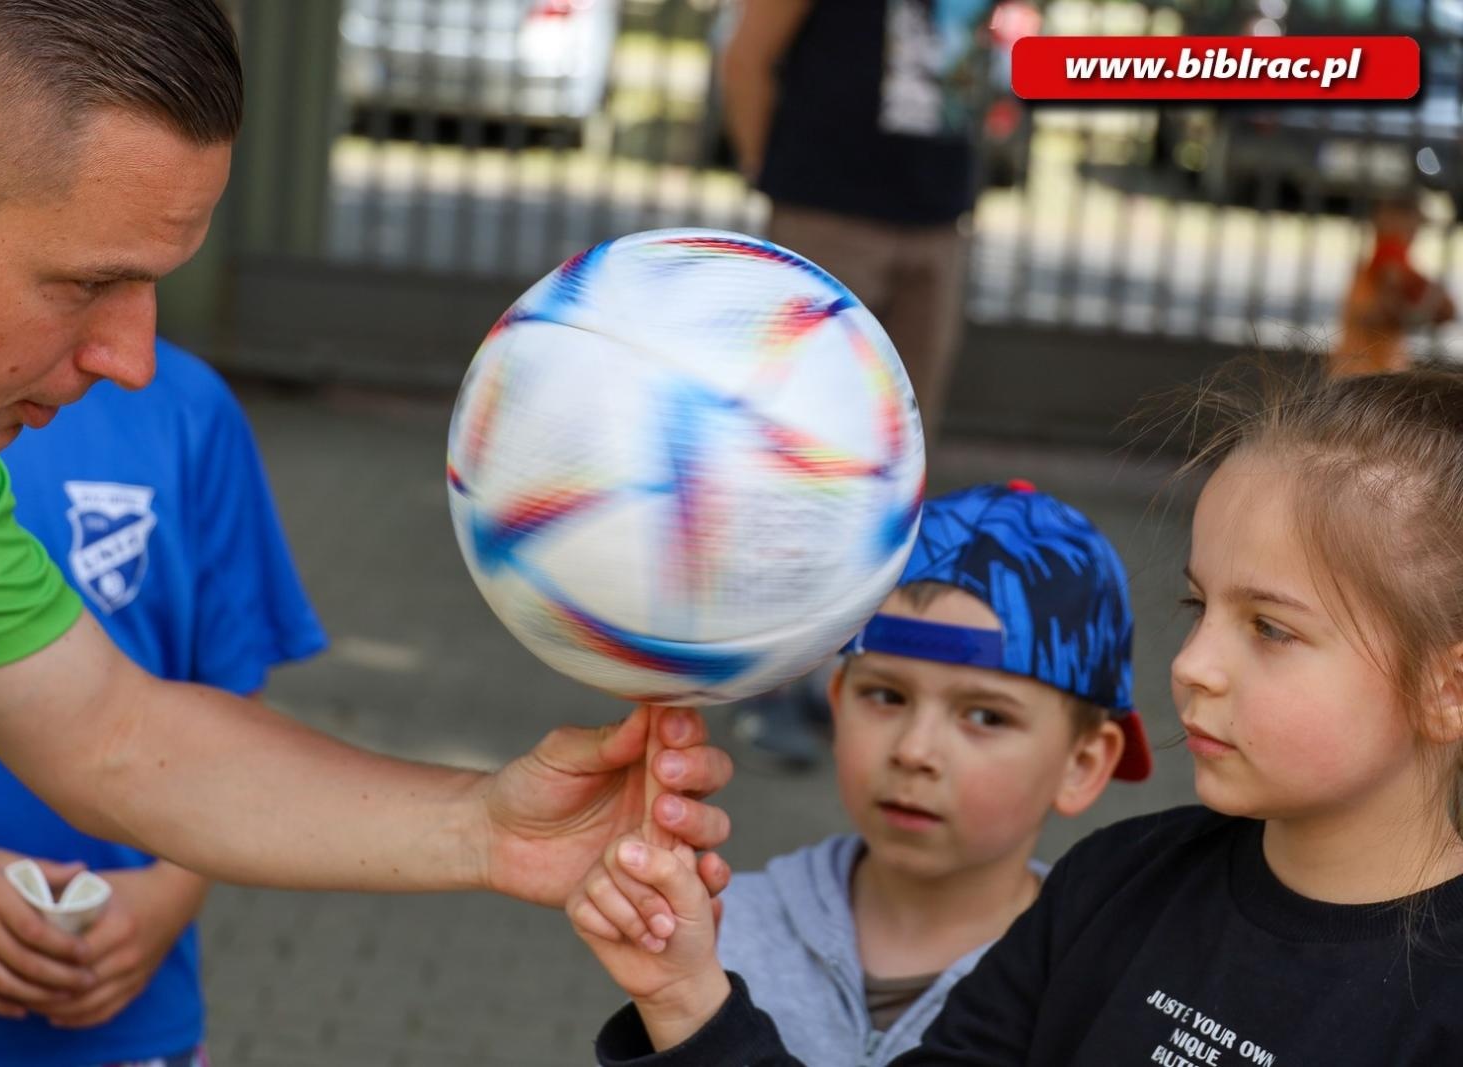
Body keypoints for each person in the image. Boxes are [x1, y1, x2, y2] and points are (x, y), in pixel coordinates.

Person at [0, 0, 729, 920]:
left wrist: (486, 826)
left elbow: (110, 735)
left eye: (151, 284)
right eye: (87, 282)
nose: (133, 359)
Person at [573, 367, 1463, 1065]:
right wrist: (688, 998)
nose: (1191, 664)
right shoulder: (1118, 881)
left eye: (1270, 628)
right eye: (1198, 608)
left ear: (1448, 687)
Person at [571, 482, 1152, 1064]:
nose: (915, 750)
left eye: (984, 715)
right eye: (887, 695)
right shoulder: (715, 932)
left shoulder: (1106, 990)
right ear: (837, 698)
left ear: (1082, 764)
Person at [0, 339, 325, 1067]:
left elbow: (187, 715)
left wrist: (171, 892)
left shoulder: (188, 406)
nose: (129, 345)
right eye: (90, 277)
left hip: (130, 1015)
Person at [722, 0, 987, 445]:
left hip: (938, 219)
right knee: (806, 429)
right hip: (827, 216)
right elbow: (746, 58)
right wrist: (766, 169)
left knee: (905, 441)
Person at [1330, 190, 1455, 379]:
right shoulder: (1384, 263)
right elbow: (1383, 312)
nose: (1413, 233)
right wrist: (1423, 306)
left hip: (1375, 377)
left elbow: (1446, 310)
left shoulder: (1387, 266)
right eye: (1411, 224)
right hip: (1365, 380)